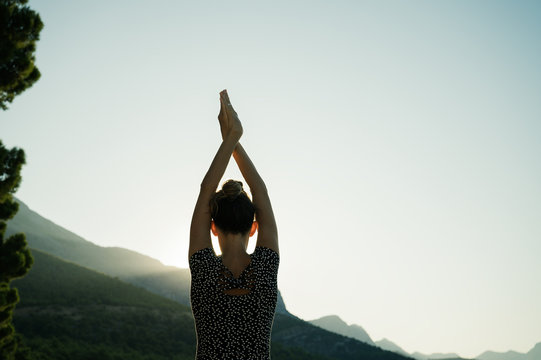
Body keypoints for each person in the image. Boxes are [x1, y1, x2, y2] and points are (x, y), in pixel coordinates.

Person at [189, 89, 279, 359]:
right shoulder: (265, 267)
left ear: (213, 226)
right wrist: (231, 138)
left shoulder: (203, 267)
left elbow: (207, 189)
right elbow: (260, 191)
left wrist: (231, 138)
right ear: (254, 227)